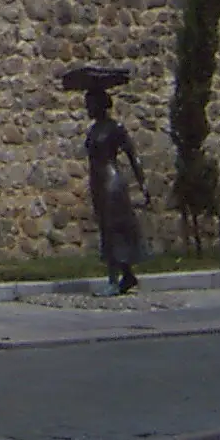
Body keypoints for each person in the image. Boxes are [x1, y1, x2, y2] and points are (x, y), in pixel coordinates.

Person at [85, 85, 148, 294]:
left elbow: (132, 156)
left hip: (112, 183)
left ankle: (113, 280)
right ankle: (127, 275)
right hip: (98, 182)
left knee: (113, 230)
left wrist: (142, 183)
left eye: (90, 103)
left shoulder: (115, 128)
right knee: (106, 229)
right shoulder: (93, 130)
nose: (87, 107)